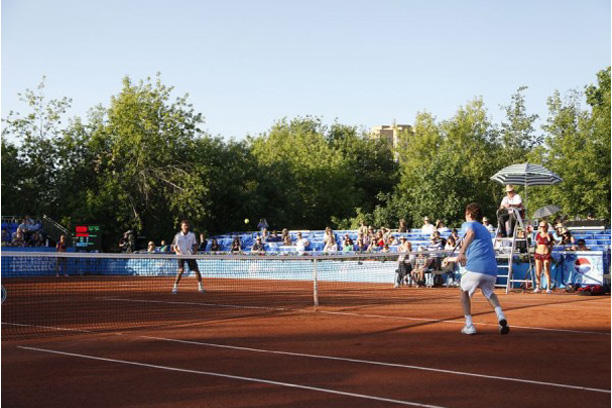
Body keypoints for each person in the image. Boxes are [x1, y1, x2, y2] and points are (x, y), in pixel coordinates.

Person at [447, 202, 509, 335]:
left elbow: (470, 234)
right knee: (489, 292)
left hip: (476, 268)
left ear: (469, 214)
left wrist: (462, 251)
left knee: (463, 291)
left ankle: (469, 325)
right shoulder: (485, 230)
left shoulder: (469, 224)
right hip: (491, 270)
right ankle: (501, 316)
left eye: (465, 213)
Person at [171, 220, 204, 294]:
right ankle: (175, 287)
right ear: (181, 226)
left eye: (187, 225)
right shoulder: (177, 236)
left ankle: (200, 287)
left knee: (196, 270)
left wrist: (194, 252)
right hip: (181, 255)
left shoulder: (192, 235)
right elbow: (174, 247)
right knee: (181, 270)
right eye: (184, 225)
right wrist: (178, 253)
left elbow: (195, 244)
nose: (186, 227)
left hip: (190, 255)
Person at [533, 221, 554, 294]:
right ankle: (538, 287)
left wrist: (549, 252)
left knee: (547, 271)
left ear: (546, 227)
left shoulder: (549, 235)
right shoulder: (538, 235)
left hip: (546, 254)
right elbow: (536, 243)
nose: (542, 228)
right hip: (538, 253)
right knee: (538, 271)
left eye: (544, 226)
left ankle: (548, 287)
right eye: (541, 226)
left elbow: (551, 245)